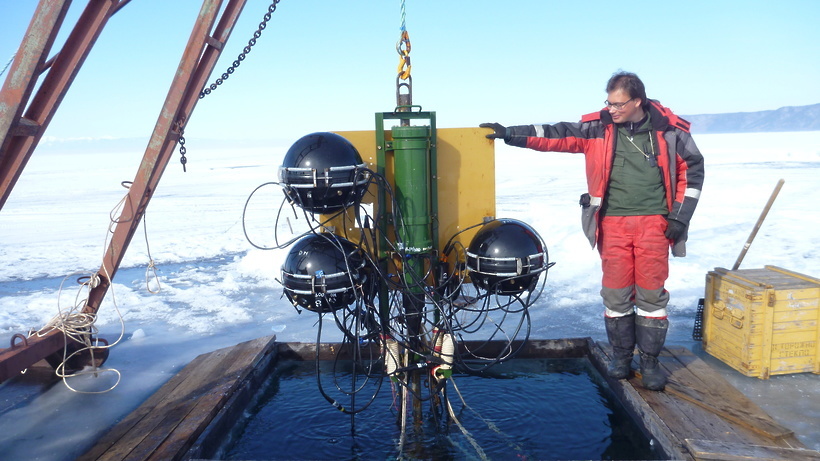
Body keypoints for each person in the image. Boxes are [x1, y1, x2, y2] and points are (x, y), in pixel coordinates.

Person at [481, 71, 704, 391]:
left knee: (652, 296)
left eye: (618, 103)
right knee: (615, 295)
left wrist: (680, 217)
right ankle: (622, 357)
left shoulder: (670, 132)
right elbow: (555, 135)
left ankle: (651, 362)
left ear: (637, 101)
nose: (611, 109)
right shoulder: (598, 128)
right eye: (608, 102)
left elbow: (693, 171)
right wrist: (510, 134)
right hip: (611, 224)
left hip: (654, 224)